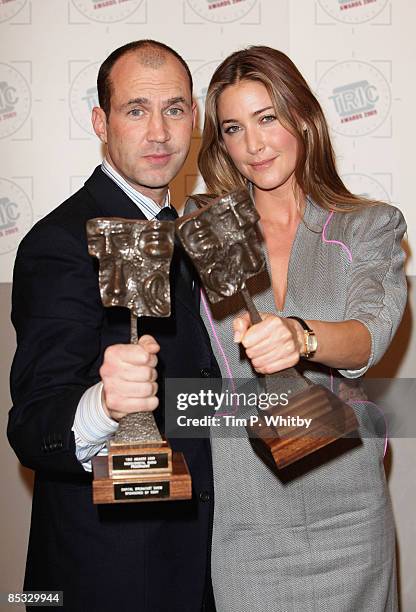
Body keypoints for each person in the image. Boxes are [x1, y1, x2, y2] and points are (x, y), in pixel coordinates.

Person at [191, 46, 407, 611]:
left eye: (268, 118)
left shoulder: (366, 226)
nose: (254, 145)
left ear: (303, 118)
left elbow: (367, 336)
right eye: (234, 129)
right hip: (246, 516)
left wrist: (302, 336)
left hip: (349, 515)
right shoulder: (203, 232)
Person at [8, 40, 219, 612]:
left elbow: (202, 395)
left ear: (194, 120)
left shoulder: (201, 235)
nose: (158, 132)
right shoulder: (57, 243)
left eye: (174, 109)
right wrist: (104, 404)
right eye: (135, 110)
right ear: (101, 121)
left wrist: (330, 414)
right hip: (105, 578)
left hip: (207, 564)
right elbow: (31, 426)